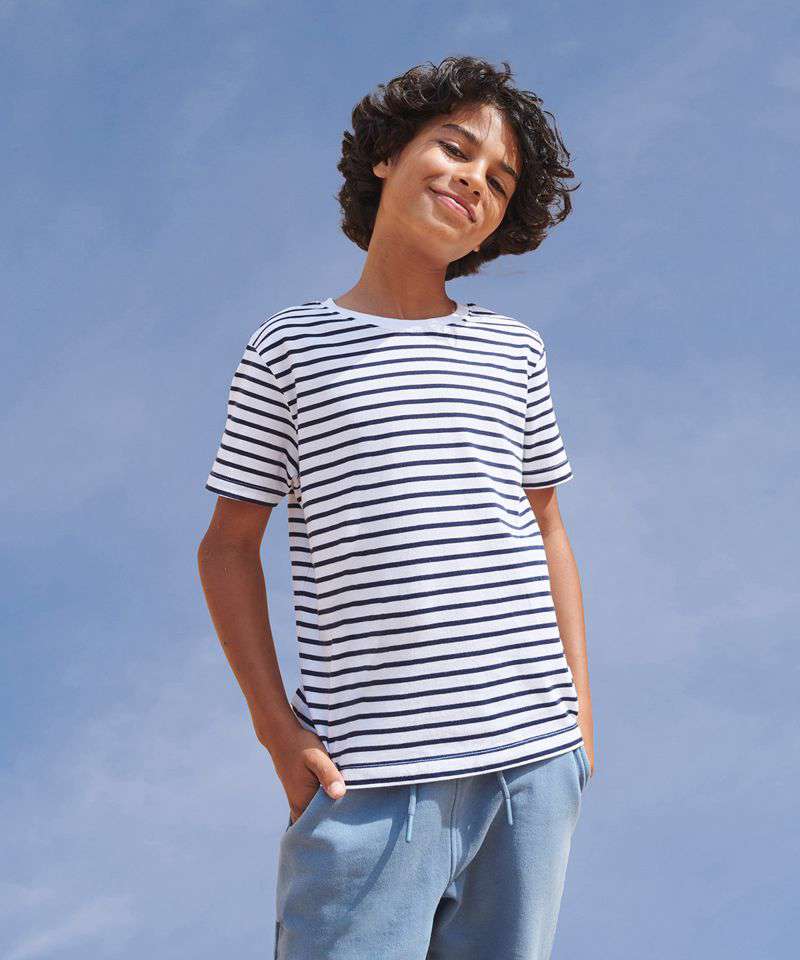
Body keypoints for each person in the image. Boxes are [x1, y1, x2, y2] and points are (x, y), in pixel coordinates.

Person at [198, 54, 594, 960]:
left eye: (499, 181)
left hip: (532, 772)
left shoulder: (514, 351)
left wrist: (578, 722)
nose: (474, 179)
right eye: (454, 148)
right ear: (387, 156)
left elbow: (547, 527)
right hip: (368, 785)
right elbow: (226, 547)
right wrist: (276, 730)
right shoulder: (288, 348)